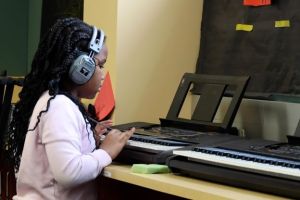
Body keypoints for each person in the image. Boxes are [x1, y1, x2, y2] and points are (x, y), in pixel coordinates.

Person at [7, 17, 135, 200]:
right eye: (100, 65)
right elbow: (69, 172)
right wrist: (105, 152)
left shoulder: (57, 102)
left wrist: (90, 139)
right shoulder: (60, 106)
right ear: (82, 67)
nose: (103, 74)